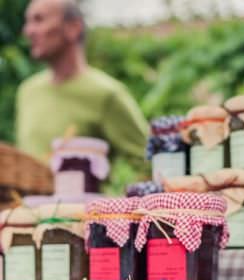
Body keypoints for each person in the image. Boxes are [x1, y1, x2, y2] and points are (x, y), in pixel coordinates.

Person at [16, 0, 149, 166]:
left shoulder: (106, 93)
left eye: (39, 20)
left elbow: (146, 161)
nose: (28, 31)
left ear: (73, 28)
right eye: (27, 22)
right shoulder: (28, 91)